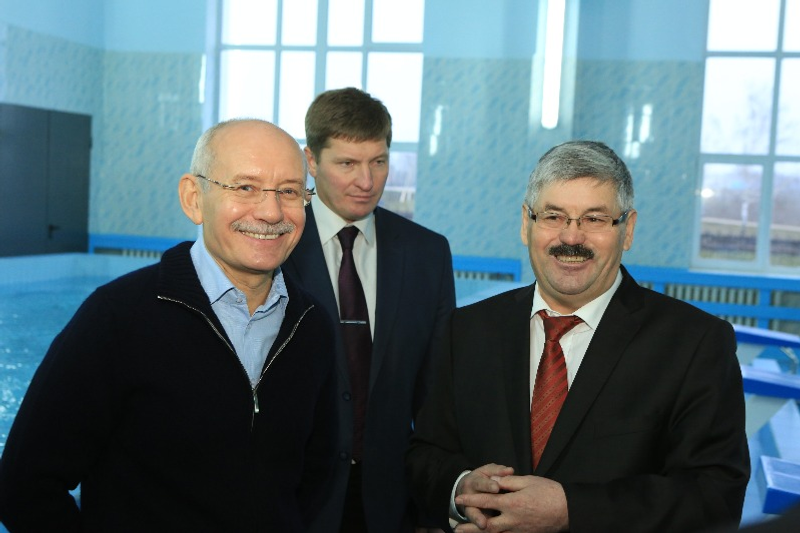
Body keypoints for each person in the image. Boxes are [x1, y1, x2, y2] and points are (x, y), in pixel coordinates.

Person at [0, 119, 338, 532]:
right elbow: (24, 485)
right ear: (194, 198)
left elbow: (315, 473)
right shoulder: (117, 318)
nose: (271, 212)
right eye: (245, 187)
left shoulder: (311, 325)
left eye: (288, 191)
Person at [405, 140, 750, 533]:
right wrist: (462, 489)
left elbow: (714, 497)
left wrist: (571, 510)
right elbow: (425, 456)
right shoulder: (467, 330)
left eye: (594, 219)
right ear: (526, 223)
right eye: (553, 216)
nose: (571, 238)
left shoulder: (695, 343)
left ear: (628, 230)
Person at [281, 87, 456, 533]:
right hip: (291, 495)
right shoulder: (276, 248)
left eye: (378, 161)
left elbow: (437, 395)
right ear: (311, 160)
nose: (367, 181)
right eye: (347, 164)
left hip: (390, 500)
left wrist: (434, 505)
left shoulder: (427, 254)